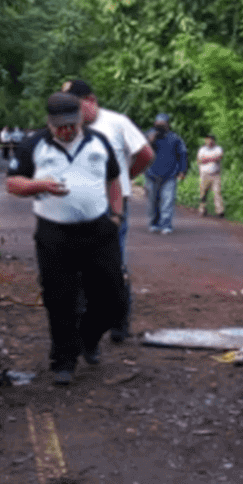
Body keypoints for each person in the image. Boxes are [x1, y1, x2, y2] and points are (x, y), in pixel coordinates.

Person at [6, 93, 126, 386]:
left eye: (71, 125)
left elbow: (113, 179)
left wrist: (116, 215)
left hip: (99, 230)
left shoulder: (99, 142)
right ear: (49, 122)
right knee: (60, 299)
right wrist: (38, 184)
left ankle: (88, 337)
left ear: (81, 119)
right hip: (54, 233)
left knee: (112, 298)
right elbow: (12, 183)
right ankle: (64, 360)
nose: (65, 131)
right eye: (59, 126)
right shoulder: (33, 145)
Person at [62, 79, 154, 344]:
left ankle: (119, 321)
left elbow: (145, 154)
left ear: (90, 100)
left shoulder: (117, 122)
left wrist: (125, 177)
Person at [144, 113, 189, 234]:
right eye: (157, 124)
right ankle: (154, 223)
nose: (159, 127)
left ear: (167, 125)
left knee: (167, 201)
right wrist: (149, 142)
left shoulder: (174, 138)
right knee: (153, 200)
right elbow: (139, 152)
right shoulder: (148, 136)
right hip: (151, 174)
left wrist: (182, 170)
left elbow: (183, 154)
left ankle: (166, 224)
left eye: (162, 125)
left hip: (169, 175)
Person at [195, 134, 225, 217]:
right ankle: (202, 209)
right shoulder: (202, 150)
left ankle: (220, 211)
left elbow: (219, 158)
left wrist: (206, 159)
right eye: (208, 139)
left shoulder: (218, 149)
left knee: (217, 192)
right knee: (203, 193)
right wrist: (212, 158)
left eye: (211, 139)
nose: (210, 141)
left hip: (215, 174)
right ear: (205, 140)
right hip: (204, 174)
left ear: (214, 141)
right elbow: (200, 161)